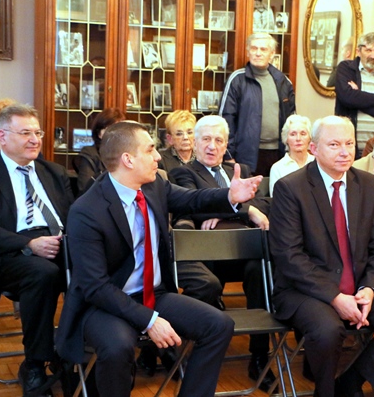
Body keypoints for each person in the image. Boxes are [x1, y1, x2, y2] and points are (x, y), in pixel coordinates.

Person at [56, 121, 262, 397]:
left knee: (219, 325)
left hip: (153, 294)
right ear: (128, 159)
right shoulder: (87, 210)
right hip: (104, 304)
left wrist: (230, 195)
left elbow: (193, 200)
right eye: (150, 149)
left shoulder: (155, 186)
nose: (157, 156)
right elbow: (95, 287)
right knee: (118, 347)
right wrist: (150, 320)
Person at [270, 115, 374, 397]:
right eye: (334, 145)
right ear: (314, 148)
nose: (344, 152)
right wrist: (334, 296)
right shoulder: (290, 188)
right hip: (305, 291)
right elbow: (289, 257)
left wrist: (370, 288)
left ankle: (350, 383)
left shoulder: (366, 183)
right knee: (328, 331)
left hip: (358, 285)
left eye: (349, 143)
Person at [167, 115, 276, 390]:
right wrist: (244, 210)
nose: (212, 146)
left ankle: (259, 356)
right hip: (209, 257)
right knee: (209, 280)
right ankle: (202, 351)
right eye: (205, 139)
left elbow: (264, 203)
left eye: (218, 140)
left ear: (226, 145)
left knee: (261, 271)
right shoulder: (184, 172)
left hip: (244, 251)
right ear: (195, 142)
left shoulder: (240, 169)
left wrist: (234, 211)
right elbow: (191, 205)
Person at [0, 104, 73, 396]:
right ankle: (35, 364)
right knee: (43, 273)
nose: (35, 139)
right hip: (8, 252)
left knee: (100, 265)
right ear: (3, 136)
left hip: (60, 242)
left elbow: (73, 215)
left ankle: (74, 353)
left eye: (38, 132)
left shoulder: (54, 171)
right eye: (25, 133)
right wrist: (27, 244)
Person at [219, 33, 296, 176]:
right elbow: (224, 120)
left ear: (272, 54)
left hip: (279, 155)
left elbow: (293, 121)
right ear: (248, 52)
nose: (258, 53)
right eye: (254, 48)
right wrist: (228, 156)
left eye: (263, 49)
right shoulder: (237, 80)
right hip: (245, 156)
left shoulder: (283, 81)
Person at [77, 107, 126, 194]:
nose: (114, 135)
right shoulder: (90, 153)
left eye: (119, 130)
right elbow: (85, 188)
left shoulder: (130, 153)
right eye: (109, 130)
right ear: (99, 133)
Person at [269, 114, 314, 196]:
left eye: (303, 134)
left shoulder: (318, 163)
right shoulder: (277, 168)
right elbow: (277, 199)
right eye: (293, 134)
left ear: (309, 138)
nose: (298, 138)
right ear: (286, 139)